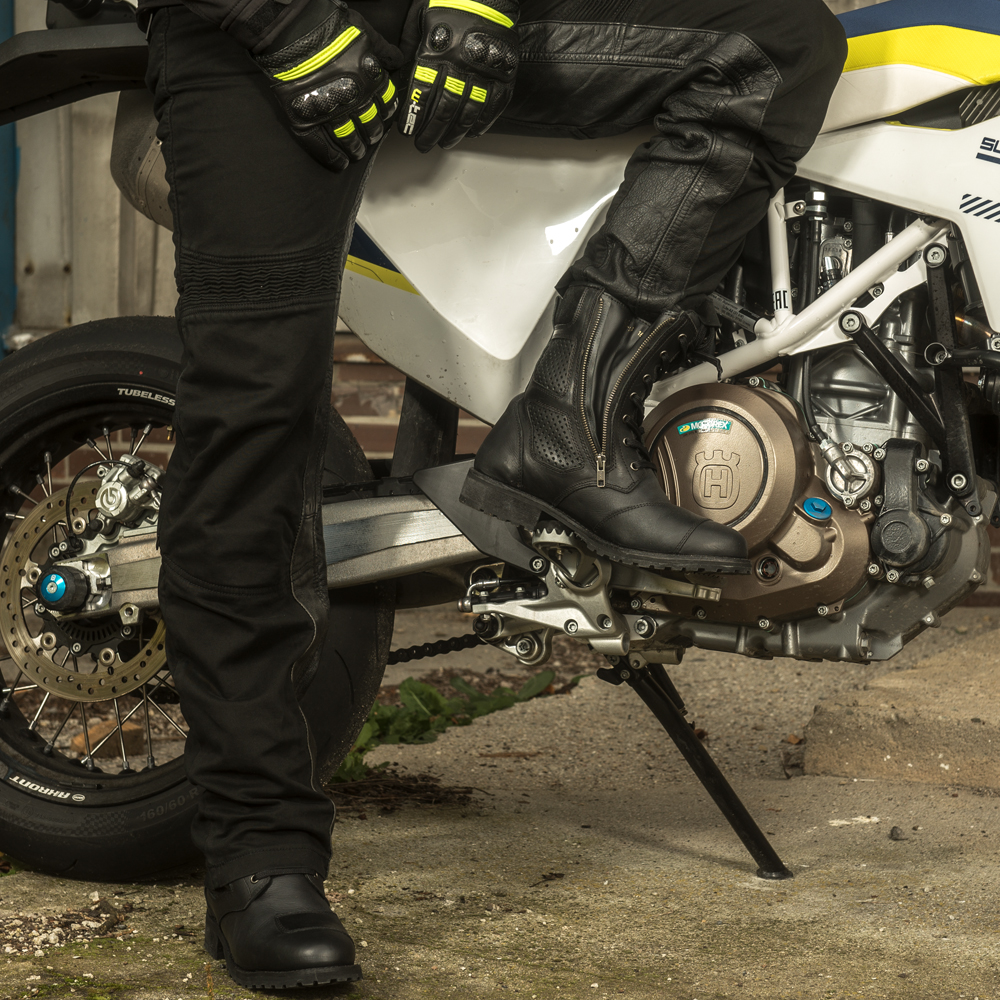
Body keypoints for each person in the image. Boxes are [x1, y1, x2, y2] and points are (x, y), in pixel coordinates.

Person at [135, 0, 846, 987]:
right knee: (254, 414)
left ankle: (569, 419)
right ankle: (261, 853)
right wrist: (284, 19)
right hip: (248, 38)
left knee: (775, 46)